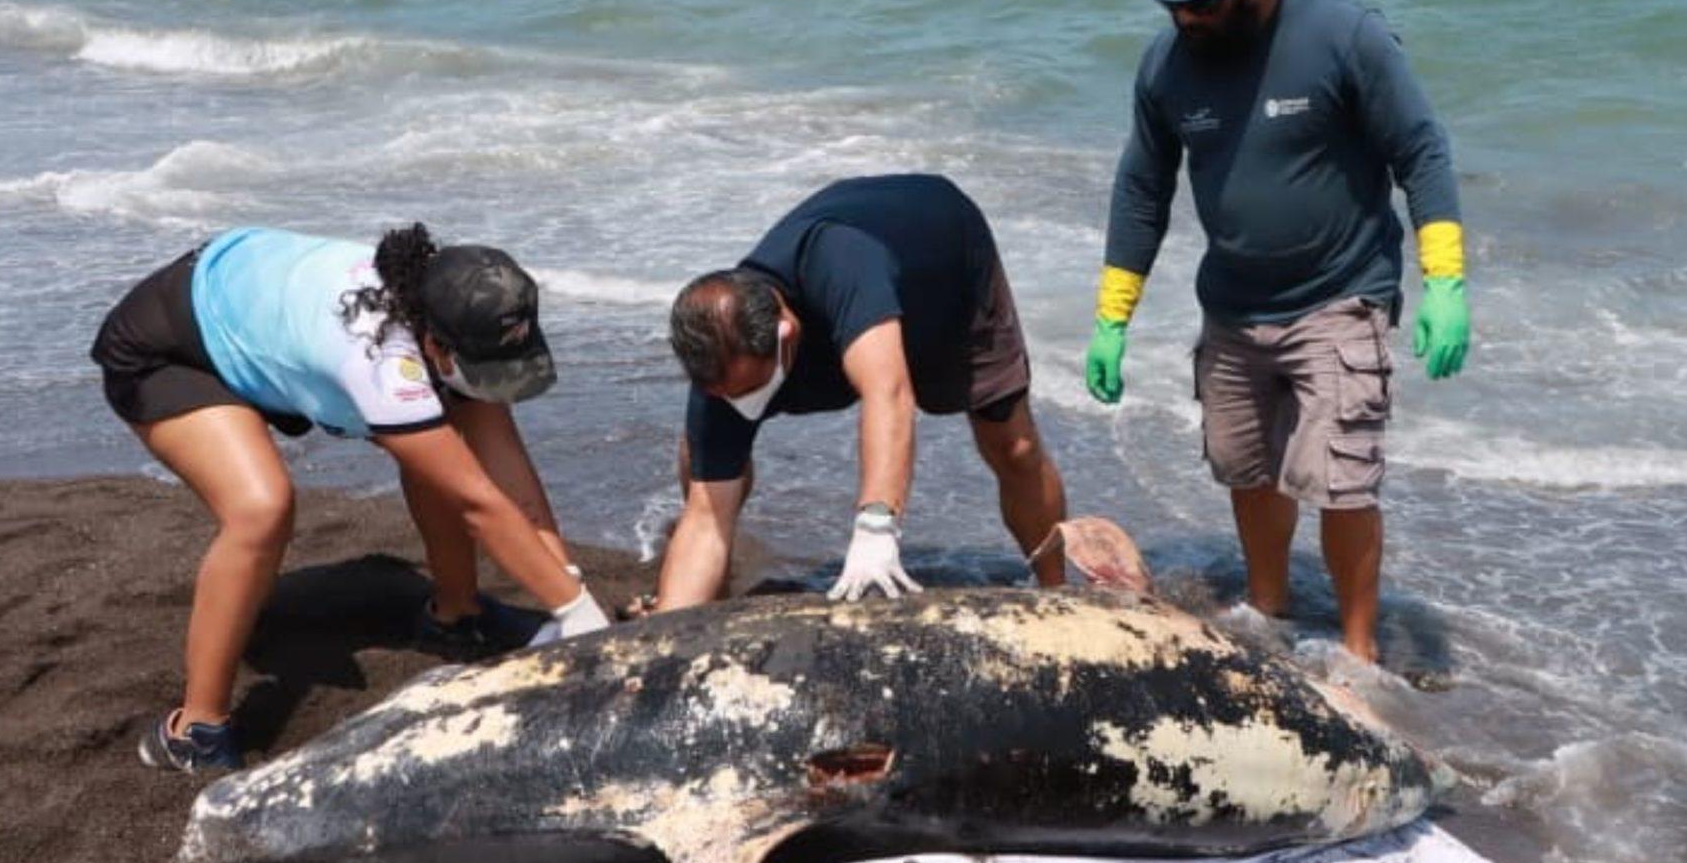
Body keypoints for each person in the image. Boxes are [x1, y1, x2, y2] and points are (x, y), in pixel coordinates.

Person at [1083, 0, 1470, 666]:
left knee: (1342, 481)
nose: (1186, 18)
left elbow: (1421, 151)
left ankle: (1362, 656)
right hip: (1231, 306)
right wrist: (1112, 316)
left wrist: (1446, 281)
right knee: (1245, 467)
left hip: (1340, 294)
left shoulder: (1345, 36)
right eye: (1175, 3)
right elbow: (1141, 188)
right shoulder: (1166, 66)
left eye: (1203, 2)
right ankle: (1271, 613)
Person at [90, 224, 609, 772]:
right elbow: (477, 503)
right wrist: (577, 613)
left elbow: (513, 489)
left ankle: (457, 616)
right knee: (261, 508)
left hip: (257, 307)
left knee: (444, 447)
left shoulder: (456, 313)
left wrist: (571, 595)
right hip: (172, 346)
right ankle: (195, 728)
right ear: (434, 343)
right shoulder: (379, 355)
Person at [657, 174, 1068, 611]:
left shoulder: (841, 264)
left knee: (1014, 446)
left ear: (787, 333)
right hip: (854, 298)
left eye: (752, 390)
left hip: (944, 270)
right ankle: (712, 598)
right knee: (707, 453)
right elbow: (704, 517)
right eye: (727, 394)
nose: (740, 403)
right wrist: (667, 629)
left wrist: (875, 526)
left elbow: (889, 395)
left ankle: (1058, 592)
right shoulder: (721, 350)